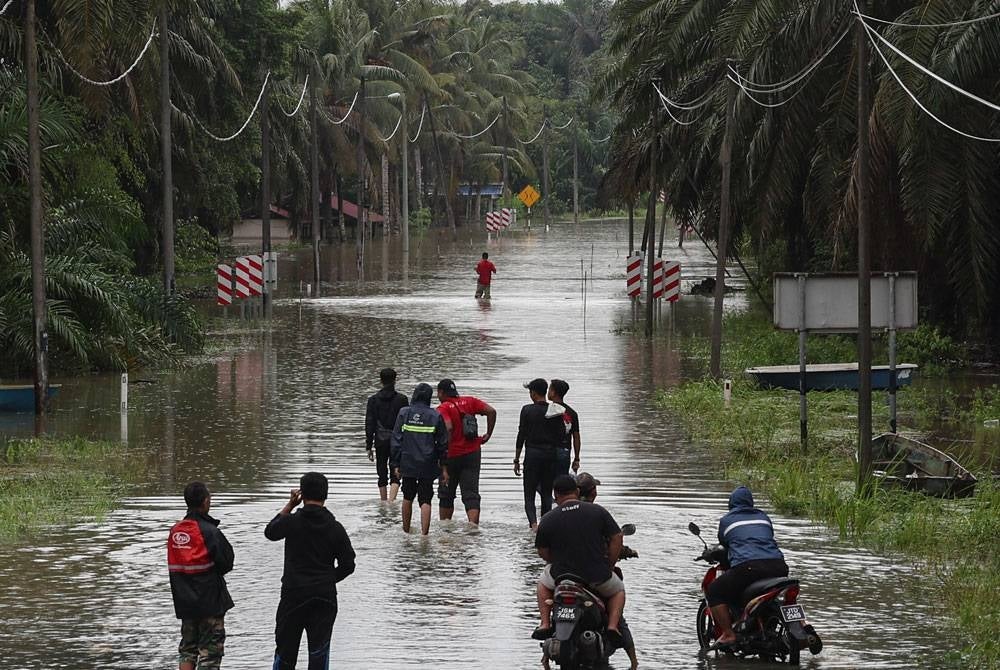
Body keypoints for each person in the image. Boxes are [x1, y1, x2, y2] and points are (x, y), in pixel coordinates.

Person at [265, 472, 356, 670]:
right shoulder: (335, 528)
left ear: (302, 495)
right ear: (326, 495)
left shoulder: (291, 522)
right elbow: (349, 565)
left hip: (293, 595)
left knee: (285, 653)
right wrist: (327, 579)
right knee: (319, 654)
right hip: (324, 597)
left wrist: (289, 505)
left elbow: (270, 532)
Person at [533, 474, 626, 647]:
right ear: (576, 491)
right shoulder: (597, 511)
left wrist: (557, 559)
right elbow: (617, 537)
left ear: (555, 495)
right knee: (618, 591)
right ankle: (613, 626)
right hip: (596, 575)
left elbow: (542, 552)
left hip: (561, 576)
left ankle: (545, 623)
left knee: (542, 584)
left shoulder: (547, 519)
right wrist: (610, 564)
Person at [706, 486, 788, 648]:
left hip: (749, 567)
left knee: (714, 590)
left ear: (731, 503)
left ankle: (729, 634)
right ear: (751, 502)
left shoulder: (727, 520)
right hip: (779, 566)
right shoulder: (763, 517)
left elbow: (725, 544)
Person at [573, 473, 639, 670]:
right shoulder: (598, 513)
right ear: (592, 492)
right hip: (594, 576)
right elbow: (614, 540)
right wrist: (614, 561)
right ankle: (633, 661)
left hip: (565, 574)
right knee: (618, 606)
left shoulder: (562, 513)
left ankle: (544, 652)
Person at [167, 482, 235, 670]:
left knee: (187, 649)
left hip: (184, 602)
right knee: (210, 653)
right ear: (206, 502)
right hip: (210, 603)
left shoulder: (175, 531)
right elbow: (226, 562)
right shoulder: (210, 532)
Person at [390, 383, 450, 535]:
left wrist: (395, 463)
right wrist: (443, 467)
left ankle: (406, 531)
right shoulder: (435, 415)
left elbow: (396, 440)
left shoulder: (404, 413)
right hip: (428, 463)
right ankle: (424, 534)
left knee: (407, 496)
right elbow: (443, 444)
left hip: (407, 461)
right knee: (425, 499)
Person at [436, 378, 497, 525]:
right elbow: (491, 411)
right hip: (472, 453)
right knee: (471, 493)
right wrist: (488, 434)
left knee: (446, 494)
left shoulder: (443, 408)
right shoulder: (470, 401)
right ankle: (473, 526)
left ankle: (445, 527)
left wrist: (444, 448)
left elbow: (448, 427)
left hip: (451, 456)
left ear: (441, 392)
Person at [514, 378, 565, 530]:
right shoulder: (555, 410)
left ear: (534, 393)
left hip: (532, 454)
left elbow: (521, 435)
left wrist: (516, 459)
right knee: (547, 493)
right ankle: (545, 525)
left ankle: (533, 526)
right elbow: (562, 435)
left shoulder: (527, 410)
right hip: (550, 455)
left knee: (529, 494)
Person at [365, 368, 409, 501]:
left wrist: (369, 445)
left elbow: (369, 423)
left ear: (380, 380)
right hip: (398, 440)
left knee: (381, 472)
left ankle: (383, 501)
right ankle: (391, 501)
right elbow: (407, 423)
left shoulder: (373, 400)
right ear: (395, 380)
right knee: (396, 470)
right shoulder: (402, 400)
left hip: (380, 440)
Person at [548, 379, 581, 475]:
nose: (548, 392)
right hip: (564, 451)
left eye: (549, 389)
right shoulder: (572, 412)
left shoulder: (546, 411)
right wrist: (576, 458)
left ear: (553, 392)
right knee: (561, 483)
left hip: (547, 450)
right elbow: (576, 437)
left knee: (544, 483)